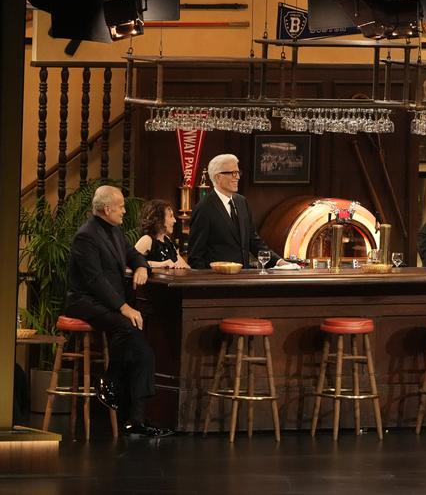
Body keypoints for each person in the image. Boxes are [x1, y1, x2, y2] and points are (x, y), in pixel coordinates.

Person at [64, 185, 172, 438]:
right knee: (128, 327)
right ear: (106, 208)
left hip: (107, 302)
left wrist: (142, 267)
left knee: (143, 351)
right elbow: (95, 281)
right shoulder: (86, 236)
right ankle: (109, 381)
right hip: (86, 301)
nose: (125, 210)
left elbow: (133, 254)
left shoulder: (114, 230)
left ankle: (135, 419)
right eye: (121, 206)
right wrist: (124, 307)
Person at [188, 153, 283, 269]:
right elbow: (195, 256)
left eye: (238, 173)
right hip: (218, 281)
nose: (237, 177)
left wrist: (279, 262)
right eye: (232, 173)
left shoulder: (242, 202)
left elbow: (253, 241)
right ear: (218, 177)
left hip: (243, 279)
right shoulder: (204, 208)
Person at [134, 199, 190, 269]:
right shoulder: (147, 239)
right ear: (159, 219)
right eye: (171, 216)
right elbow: (131, 262)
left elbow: (186, 267)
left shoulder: (167, 240)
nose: (174, 220)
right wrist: (161, 264)